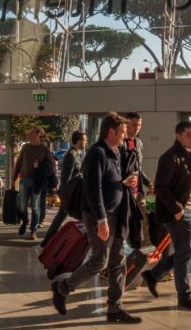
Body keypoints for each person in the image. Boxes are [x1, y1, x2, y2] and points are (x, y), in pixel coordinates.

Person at [51, 113, 142, 324]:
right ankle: (63, 288)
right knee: (100, 261)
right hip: (99, 216)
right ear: (111, 131)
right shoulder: (96, 153)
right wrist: (101, 219)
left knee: (118, 262)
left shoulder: (115, 152)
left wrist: (125, 182)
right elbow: (94, 189)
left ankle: (115, 308)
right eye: (122, 132)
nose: (124, 135)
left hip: (117, 214)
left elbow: (113, 182)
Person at [141, 121, 191, 312]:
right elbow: (160, 187)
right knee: (184, 254)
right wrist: (177, 209)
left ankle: (153, 276)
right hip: (178, 213)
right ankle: (184, 297)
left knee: (190, 252)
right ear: (177, 135)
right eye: (188, 134)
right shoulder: (170, 157)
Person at [40, 130, 86, 247]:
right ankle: (48, 241)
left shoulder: (78, 153)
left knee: (61, 217)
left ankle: (47, 241)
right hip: (69, 193)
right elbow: (66, 178)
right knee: (63, 217)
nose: (85, 142)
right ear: (78, 141)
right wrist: (66, 196)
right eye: (84, 140)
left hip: (73, 192)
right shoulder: (71, 155)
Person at [12, 127, 54, 241]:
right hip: (24, 180)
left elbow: (51, 166)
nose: (29, 135)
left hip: (37, 182)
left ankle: (33, 231)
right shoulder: (25, 147)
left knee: (35, 207)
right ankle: (25, 221)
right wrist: (14, 178)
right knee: (22, 205)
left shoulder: (44, 149)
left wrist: (40, 166)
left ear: (38, 134)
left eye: (32, 133)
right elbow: (19, 163)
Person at [120, 112, 155, 247]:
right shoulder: (120, 143)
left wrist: (148, 183)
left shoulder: (138, 143)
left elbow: (138, 168)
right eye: (134, 124)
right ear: (127, 124)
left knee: (145, 221)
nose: (137, 127)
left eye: (139, 125)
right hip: (124, 192)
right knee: (126, 223)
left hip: (138, 191)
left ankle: (146, 250)